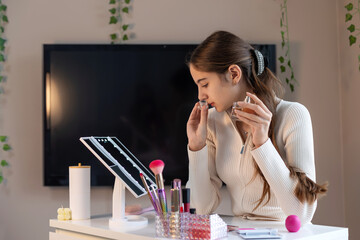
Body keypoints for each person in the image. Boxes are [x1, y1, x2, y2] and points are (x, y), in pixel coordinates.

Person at [185, 31, 327, 224]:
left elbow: (301, 213)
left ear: (234, 74)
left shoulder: (293, 115)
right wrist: (196, 147)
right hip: (238, 234)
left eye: (205, 84)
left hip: (286, 235)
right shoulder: (212, 122)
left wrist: (262, 143)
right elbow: (200, 209)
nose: (201, 95)